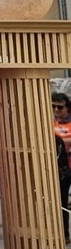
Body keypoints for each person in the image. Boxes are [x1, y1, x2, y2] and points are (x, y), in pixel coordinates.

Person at [53, 92, 71, 241]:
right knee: (61, 202)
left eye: (60, 107)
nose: (56, 110)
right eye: (54, 106)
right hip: (61, 170)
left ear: (67, 108)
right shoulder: (49, 124)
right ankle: (64, 233)